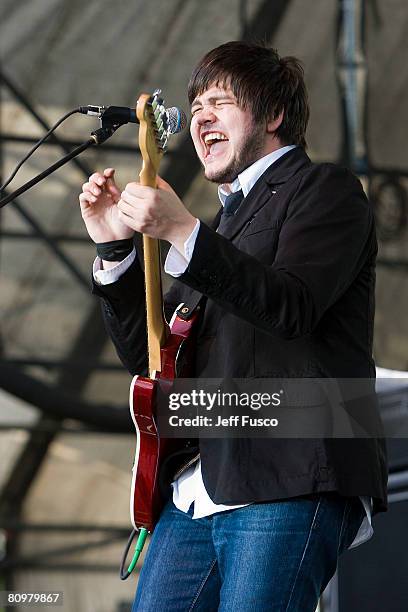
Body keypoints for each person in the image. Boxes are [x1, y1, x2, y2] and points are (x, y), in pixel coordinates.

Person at [79, 42, 387, 611]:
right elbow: (154, 360)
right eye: (195, 107)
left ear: (272, 114)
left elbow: (293, 307)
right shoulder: (222, 227)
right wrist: (115, 252)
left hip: (288, 474)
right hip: (197, 490)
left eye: (219, 102)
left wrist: (182, 233)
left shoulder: (325, 189)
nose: (200, 118)